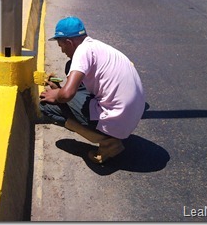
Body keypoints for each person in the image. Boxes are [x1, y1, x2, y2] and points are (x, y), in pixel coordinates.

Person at [39, 17, 145, 164]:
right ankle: (108, 132)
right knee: (70, 67)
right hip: (130, 117)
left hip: (116, 121)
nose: (62, 51)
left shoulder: (82, 52)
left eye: (61, 46)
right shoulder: (96, 46)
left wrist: (57, 94)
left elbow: (67, 95)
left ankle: (109, 142)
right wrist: (62, 91)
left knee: (47, 106)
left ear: (69, 42)